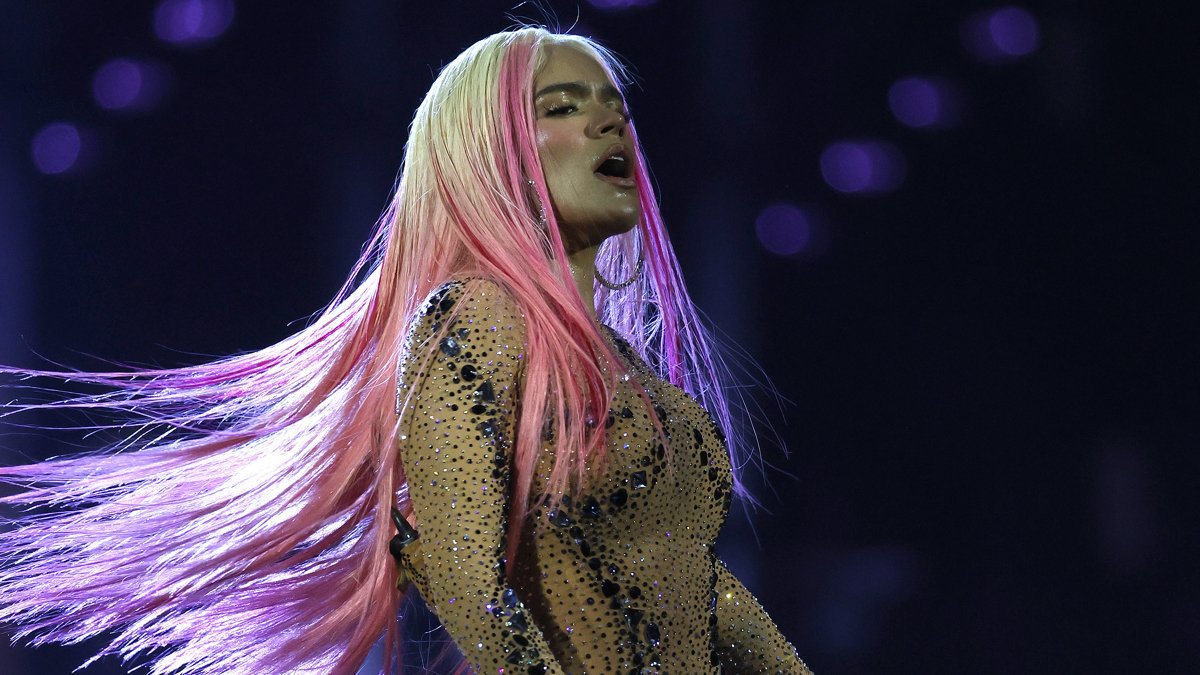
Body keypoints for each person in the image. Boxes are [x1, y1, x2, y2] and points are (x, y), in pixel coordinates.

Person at [0, 28, 811, 674]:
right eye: (563, 106)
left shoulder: (635, 371)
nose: (609, 121)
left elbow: (689, 580)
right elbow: (457, 566)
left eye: (614, 105)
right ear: (490, 156)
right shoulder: (478, 317)